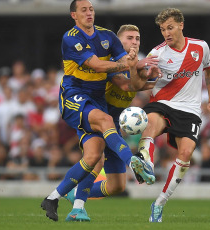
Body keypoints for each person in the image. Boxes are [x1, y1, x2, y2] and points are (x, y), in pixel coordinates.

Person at [41, 0, 155, 222]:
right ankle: (133, 162)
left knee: (96, 159)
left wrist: (150, 75)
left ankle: (55, 198)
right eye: (83, 10)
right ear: (74, 15)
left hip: (99, 105)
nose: (89, 13)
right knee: (104, 125)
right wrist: (135, 65)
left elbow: (132, 82)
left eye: (91, 9)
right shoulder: (71, 37)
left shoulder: (108, 37)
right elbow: (98, 66)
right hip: (74, 96)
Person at [64, 24, 161, 222]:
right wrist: (138, 69)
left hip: (114, 123)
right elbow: (127, 85)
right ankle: (77, 208)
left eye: (137, 38)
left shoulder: (138, 64)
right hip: (97, 116)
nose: (134, 42)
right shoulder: (109, 60)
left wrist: (156, 78)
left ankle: (74, 191)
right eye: (129, 38)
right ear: (118, 42)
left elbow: (137, 83)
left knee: (117, 186)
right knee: (96, 158)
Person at [136, 8, 210, 222]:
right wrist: (148, 76)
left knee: (186, 154)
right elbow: (139, 84)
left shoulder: (200, 47)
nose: (166, 33)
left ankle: (160, 202)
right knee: (150, 126)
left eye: (170, 28)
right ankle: (146, 163)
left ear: (181, 25)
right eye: (163, 29)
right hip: (162, 103)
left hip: (190, 110)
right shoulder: (157, 54)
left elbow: (209, 70)